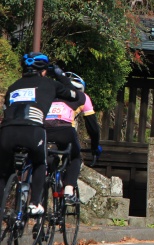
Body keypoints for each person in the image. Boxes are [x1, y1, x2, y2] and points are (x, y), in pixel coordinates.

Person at [0, 52, 80, 216]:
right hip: (33, 130)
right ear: (44, 70)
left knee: (3, 171)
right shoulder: (50, 83)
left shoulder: (13, 86)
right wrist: (61, 76)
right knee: (39, 163)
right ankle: (35, 203)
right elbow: (75, 95)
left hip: (6, 131)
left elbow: (6, 108)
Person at [44, 72, 102, 203]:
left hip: (43, 129)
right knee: (75, 157)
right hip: (65, 130)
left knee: (47, 154)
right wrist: (94, 147)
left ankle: (44, 176)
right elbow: (93, 128)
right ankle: (69, 190)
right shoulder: (83, 97)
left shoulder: (50, 94)